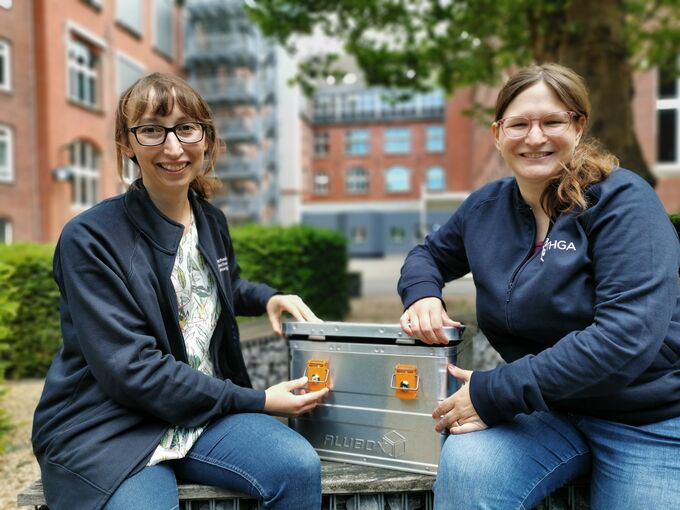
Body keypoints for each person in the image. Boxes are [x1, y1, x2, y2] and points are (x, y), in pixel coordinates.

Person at [31, 72, 329, 510]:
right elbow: (133, 369)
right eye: (152, 130)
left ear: (205, 137)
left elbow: (213, 284)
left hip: (201, 414)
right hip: (114, 426)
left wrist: (266, 297)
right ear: (126, 144)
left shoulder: (210, 221)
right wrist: (260, 400)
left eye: (186, 128)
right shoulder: (90, 238)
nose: (173, 148)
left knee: (296, 465)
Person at [398, 63, 680, 509]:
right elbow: (426, 255)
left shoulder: (624, 203)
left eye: (551, 122)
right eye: (519, 124)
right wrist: (422, 294)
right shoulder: (484, 209)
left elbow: (625, 338)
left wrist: (495, 392)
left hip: (648, 420)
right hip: (547, 411)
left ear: (578, 125)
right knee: (469, 471)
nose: (535, 138)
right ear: (497, 133)